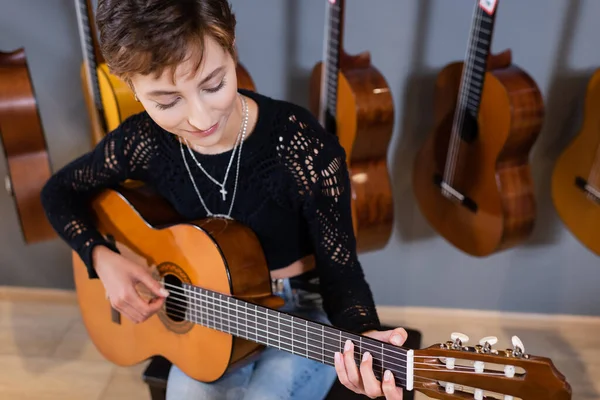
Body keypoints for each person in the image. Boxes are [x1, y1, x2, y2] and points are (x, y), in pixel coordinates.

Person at [41, 0, 409, 399]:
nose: (200, 120)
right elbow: (58, 192)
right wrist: (100, 257)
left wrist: (364, 337)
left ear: (231, 47)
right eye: (167, 102)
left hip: (300, 311)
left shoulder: (302, 148)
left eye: (214, 84)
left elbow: (343, 275)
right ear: (129, 85)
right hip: (205, 306)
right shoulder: (143, 142)